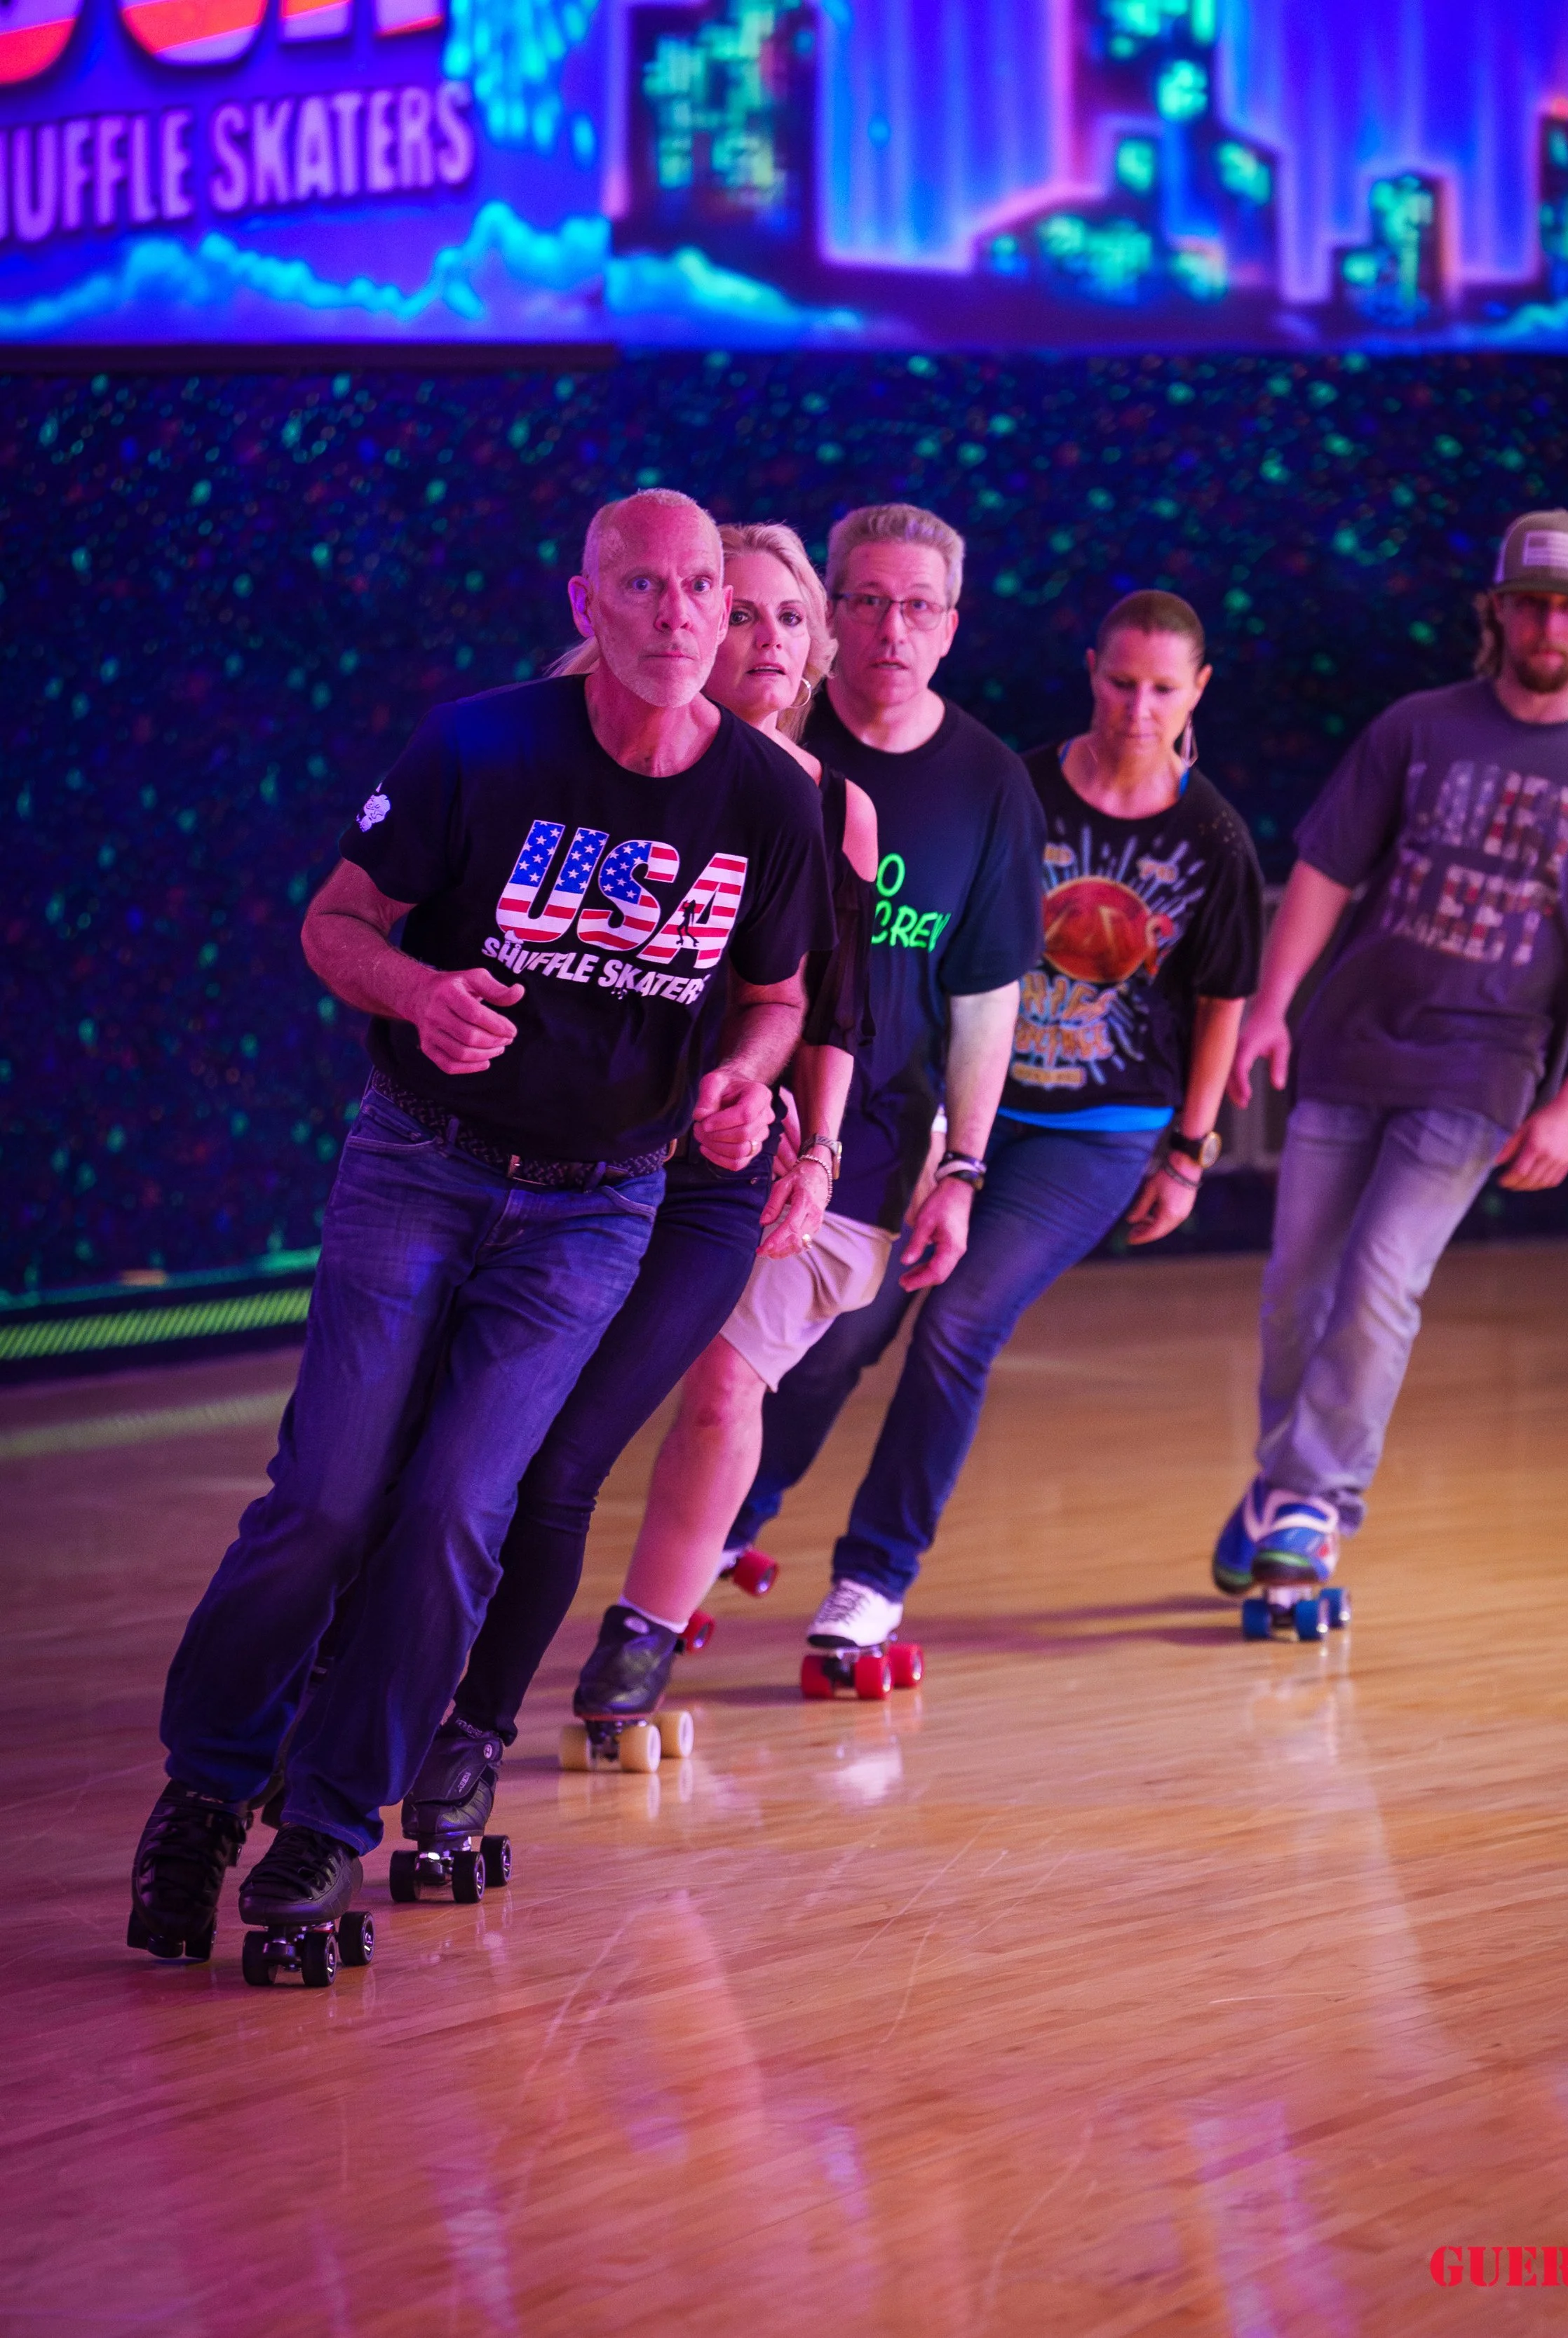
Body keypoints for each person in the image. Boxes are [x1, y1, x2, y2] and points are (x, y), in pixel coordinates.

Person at [128, 489, 834, 1966]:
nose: (678, 616)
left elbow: (776, 1000)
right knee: (327, 1497)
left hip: (596, 1207)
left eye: (701, 587)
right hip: (419, 1166)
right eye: (640, 588)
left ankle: (327, 1821)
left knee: (460, 1510)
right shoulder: (478, 747)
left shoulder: (770, 799)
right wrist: (419, 995)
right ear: (586, 609)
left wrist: (738, 1083)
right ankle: (205, 1786)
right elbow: (336, 924)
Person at [414, 520, 881, 1785]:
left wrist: (820, 1148)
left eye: (791, 619)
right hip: (548, 1151)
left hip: (705, 1177)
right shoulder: (558, 750)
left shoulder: (830, 804)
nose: (767, 642)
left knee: (566, 1454)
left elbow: (829, 1011)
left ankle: (480, 1728)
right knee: (455, 1446)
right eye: (743, 614)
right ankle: (367, 1691)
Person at [729, 589, 1262, 1652]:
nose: (1137, 706)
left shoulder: (1211, 836)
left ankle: (874, 1577)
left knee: (959, 1325)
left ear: (1197, 691)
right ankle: (729, 1521)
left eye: (1163, 687)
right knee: (840, 1326)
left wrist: (1189, 1153)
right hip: (951, 1106)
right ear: (1090, 671)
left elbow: (1221, 1000)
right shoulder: (1011, 786)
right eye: (1120, 680)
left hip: (1095, 1132)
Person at [1212, 509, 1568, 1596]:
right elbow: (1327, 869)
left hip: (1485, 1067)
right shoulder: (1417, 728)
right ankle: (1280, 1486)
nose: (1548, 621)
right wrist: (1272, 1004)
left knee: (1380, 1280)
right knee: (1296, 1288)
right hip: (1350, 1043)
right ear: (1499, 609)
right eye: (1530, 601)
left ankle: (1314, 1504)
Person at [715, 502, 1052, 1660]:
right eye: (864, 602)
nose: (890, 630)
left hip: (870, 1149)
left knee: (828, 1357)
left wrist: (961, 1166)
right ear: (827, 618)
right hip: (712, 1123)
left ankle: (730, 1535)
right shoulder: (766, 737)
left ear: (949, 628)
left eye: (917, 608)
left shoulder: (992, 783)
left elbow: (985, 1000)